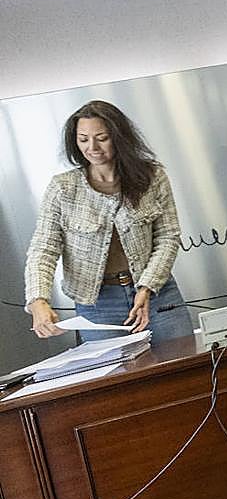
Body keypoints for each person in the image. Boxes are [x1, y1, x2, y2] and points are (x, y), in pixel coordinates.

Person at [24, 101, 191, 343]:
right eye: (83, 139)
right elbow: (43, 249)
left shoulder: (152, 177)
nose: (92, 147)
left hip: (157, 295)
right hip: (97, 304)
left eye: (101, 138)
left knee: (183, 365)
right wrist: (38, 300)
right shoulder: (63, 188)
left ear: (119, 136)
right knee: (116, 376)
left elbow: (168, 236)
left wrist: (145, 288)